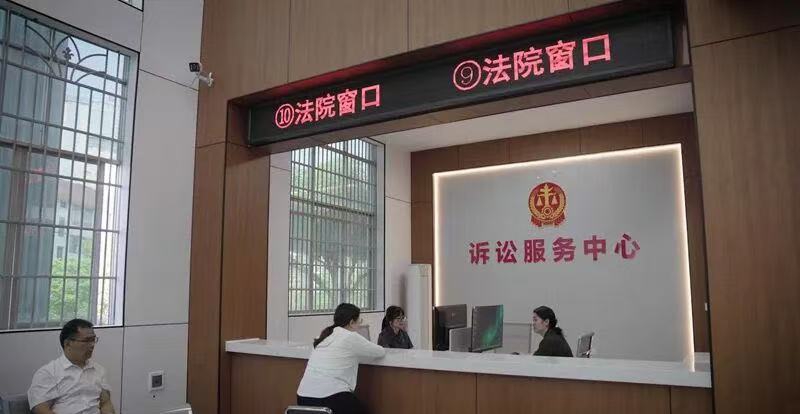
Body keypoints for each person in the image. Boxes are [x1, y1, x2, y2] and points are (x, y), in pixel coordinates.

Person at [297, 303, 385, 414]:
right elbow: (380, 351)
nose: (360, 324)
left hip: (303, 398)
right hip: (330, 398)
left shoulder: (323, 336)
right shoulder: (350, 336)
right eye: (359, 321)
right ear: (351, 322)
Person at [28, 319, 115, 414]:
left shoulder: (98, 370)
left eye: (93, 339)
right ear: (67, 343)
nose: (92, 345)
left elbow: (106, 403)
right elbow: (40, 409)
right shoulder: (48, 372)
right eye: (86, 340)